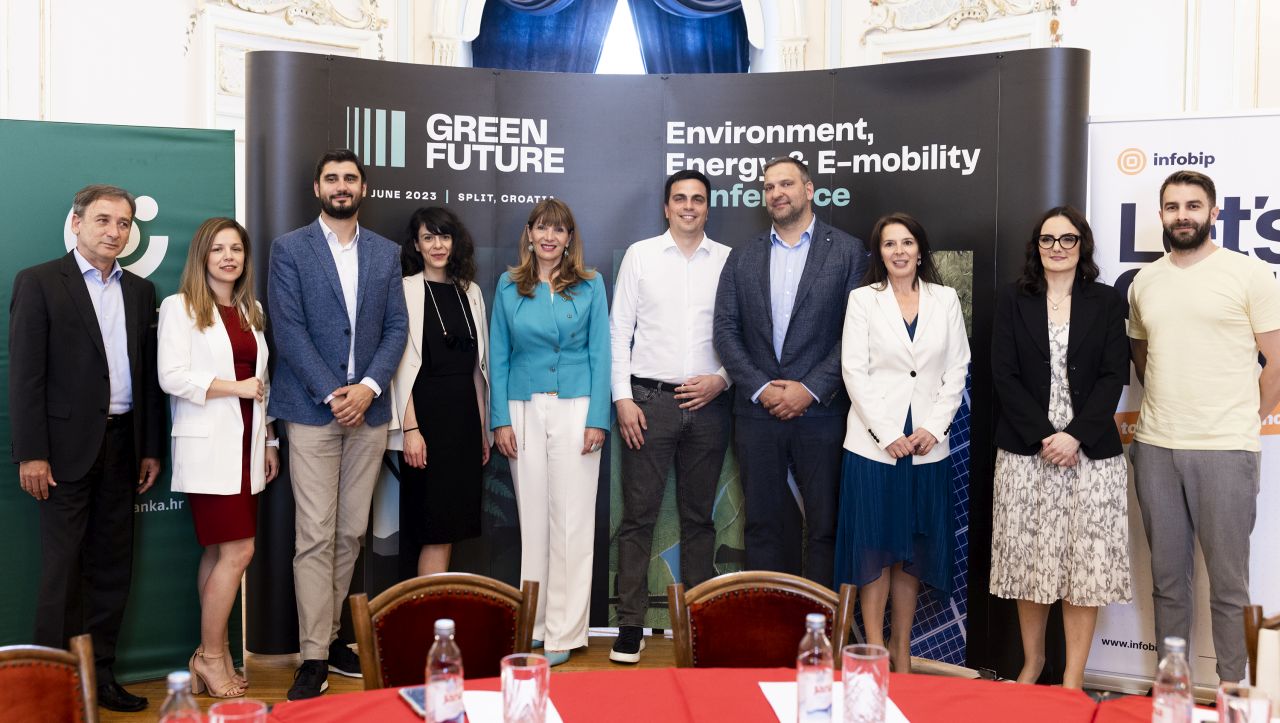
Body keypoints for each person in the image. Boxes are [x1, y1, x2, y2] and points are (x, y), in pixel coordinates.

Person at [8, 184, 165, 712]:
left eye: (123, 223)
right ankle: (47, 690)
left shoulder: (140, 291)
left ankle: (100, 678)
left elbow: (146, 377)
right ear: (77, 223)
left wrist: (149, 447)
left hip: (123, 446)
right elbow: (25, 376)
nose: (114, 231)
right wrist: (32, 453)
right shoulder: (39, 282)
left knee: (111, 569)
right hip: (61, 452)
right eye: (103, 220)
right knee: (62, 573)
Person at [267, 149, 408, 700]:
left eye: (350, 178)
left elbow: (396, 328)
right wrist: (333, 393)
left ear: (363, 188)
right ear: (317, 188)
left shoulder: (386, 252)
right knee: (314, 535)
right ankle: (313, 657)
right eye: (332, 178)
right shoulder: (290, 249)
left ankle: (327, 638)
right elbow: (288, 329)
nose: (341, 186)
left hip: (368, 410)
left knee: (350, 533)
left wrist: (367, 388)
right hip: (311, 410)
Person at [1129, 170, 1280, 684]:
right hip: (1155, 448)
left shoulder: (1248, 274)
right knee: (1168, 583)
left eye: (1193, 206)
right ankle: (1173, 688)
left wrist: (1245, 418)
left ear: (1214, 212)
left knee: (1229, 585)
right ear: (1161, 215)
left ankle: (1233, 690)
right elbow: (1142, 354)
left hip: (1226, 449)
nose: (1183, 216)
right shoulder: (1145, 282)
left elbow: (1276, 361)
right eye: (1173, 207)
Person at [988, 206, 1131, 689]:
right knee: (1030, 560)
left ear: (1081, 245)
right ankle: (1032, 664)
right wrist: (1044, 436)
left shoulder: (1107, 301)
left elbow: (1114, 374)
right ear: (1037, 247)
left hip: (1090, 453)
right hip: (1026, 451)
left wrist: (1076, 436)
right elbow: (1003, 373)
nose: (1057, 248)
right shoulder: (1013, 299)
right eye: (1047, 239)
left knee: (1083, 564)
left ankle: (1072, 678)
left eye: (1067, 239)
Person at [712, 157, 866, 587]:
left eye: (786, 184)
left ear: (809, 190)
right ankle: (768, 621)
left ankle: (820, 623)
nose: (776, 193)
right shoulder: (742, 256)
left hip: (821, 412)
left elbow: (856, 332)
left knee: (825, 527)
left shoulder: (847, 251)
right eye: (769, 187)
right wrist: (761, 388)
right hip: (757, 413)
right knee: (762, 525)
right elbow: (725, 330)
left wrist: (810, 389)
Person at [836, 212, 969, 673]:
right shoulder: (863, 300)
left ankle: (902, 649)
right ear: (879, 252)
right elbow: (853, 370)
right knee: (875, 546)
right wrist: (888, 433)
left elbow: (957, 368)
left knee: (912, 549)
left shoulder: (945, 299)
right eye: (889, 243)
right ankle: (873, 649)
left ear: (920, 249)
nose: (899, 251)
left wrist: (933, 427)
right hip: (874, 447)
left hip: (927, 445)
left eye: (907, 242)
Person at [609, 170, 733, 664]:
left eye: (697, 199)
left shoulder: (727, 260)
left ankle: (698, 627)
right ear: (666, 207)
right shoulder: (641, 256)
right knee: (638, 519)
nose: (688, 206)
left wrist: (722, 379)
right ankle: (630, 626)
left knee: (699, 520)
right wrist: (623, 399)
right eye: (679, 198)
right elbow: (619, 331)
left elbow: (744, 332)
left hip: (709, 404)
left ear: (708, 207)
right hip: (648, 403)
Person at [158, 217, 280, 698]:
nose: (229, 257)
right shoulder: (180, 306)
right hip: (209, 448)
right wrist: (234, 388)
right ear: (202, 257)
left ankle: (214, 653)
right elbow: (171, 376)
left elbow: (262, 383)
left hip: (248, 444)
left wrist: (269, 440)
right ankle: (210, 657)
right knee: (239, 552)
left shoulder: (251, 309)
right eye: (218, 249)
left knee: (218, 551)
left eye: (236, 249)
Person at [490, 198, 610, 667]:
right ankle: (536, 626)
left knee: (571, 521)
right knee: (534, 521)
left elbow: (601, 353)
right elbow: (498, 354)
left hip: (577, 407)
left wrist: (598, 418)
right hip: (522, 407)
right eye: (542, 228)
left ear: (569, 238)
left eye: (558, 230)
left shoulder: (591, 284)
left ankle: (565, 630)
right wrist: (499, 419)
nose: (549, 237)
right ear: (529, 233)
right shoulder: (508, 285)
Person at [387, 206, 490, 578]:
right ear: (416, 244)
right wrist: (410, 429)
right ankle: (426, 611)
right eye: (428, 237)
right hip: (425, 423)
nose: (437, 245)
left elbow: (478, 369)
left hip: (464, 424)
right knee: (432, 529)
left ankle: (434, 609)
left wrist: (482, 430)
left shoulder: (471, 292)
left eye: (444, 236)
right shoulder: (405, 290)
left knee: (450, 530)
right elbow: (400, 368)